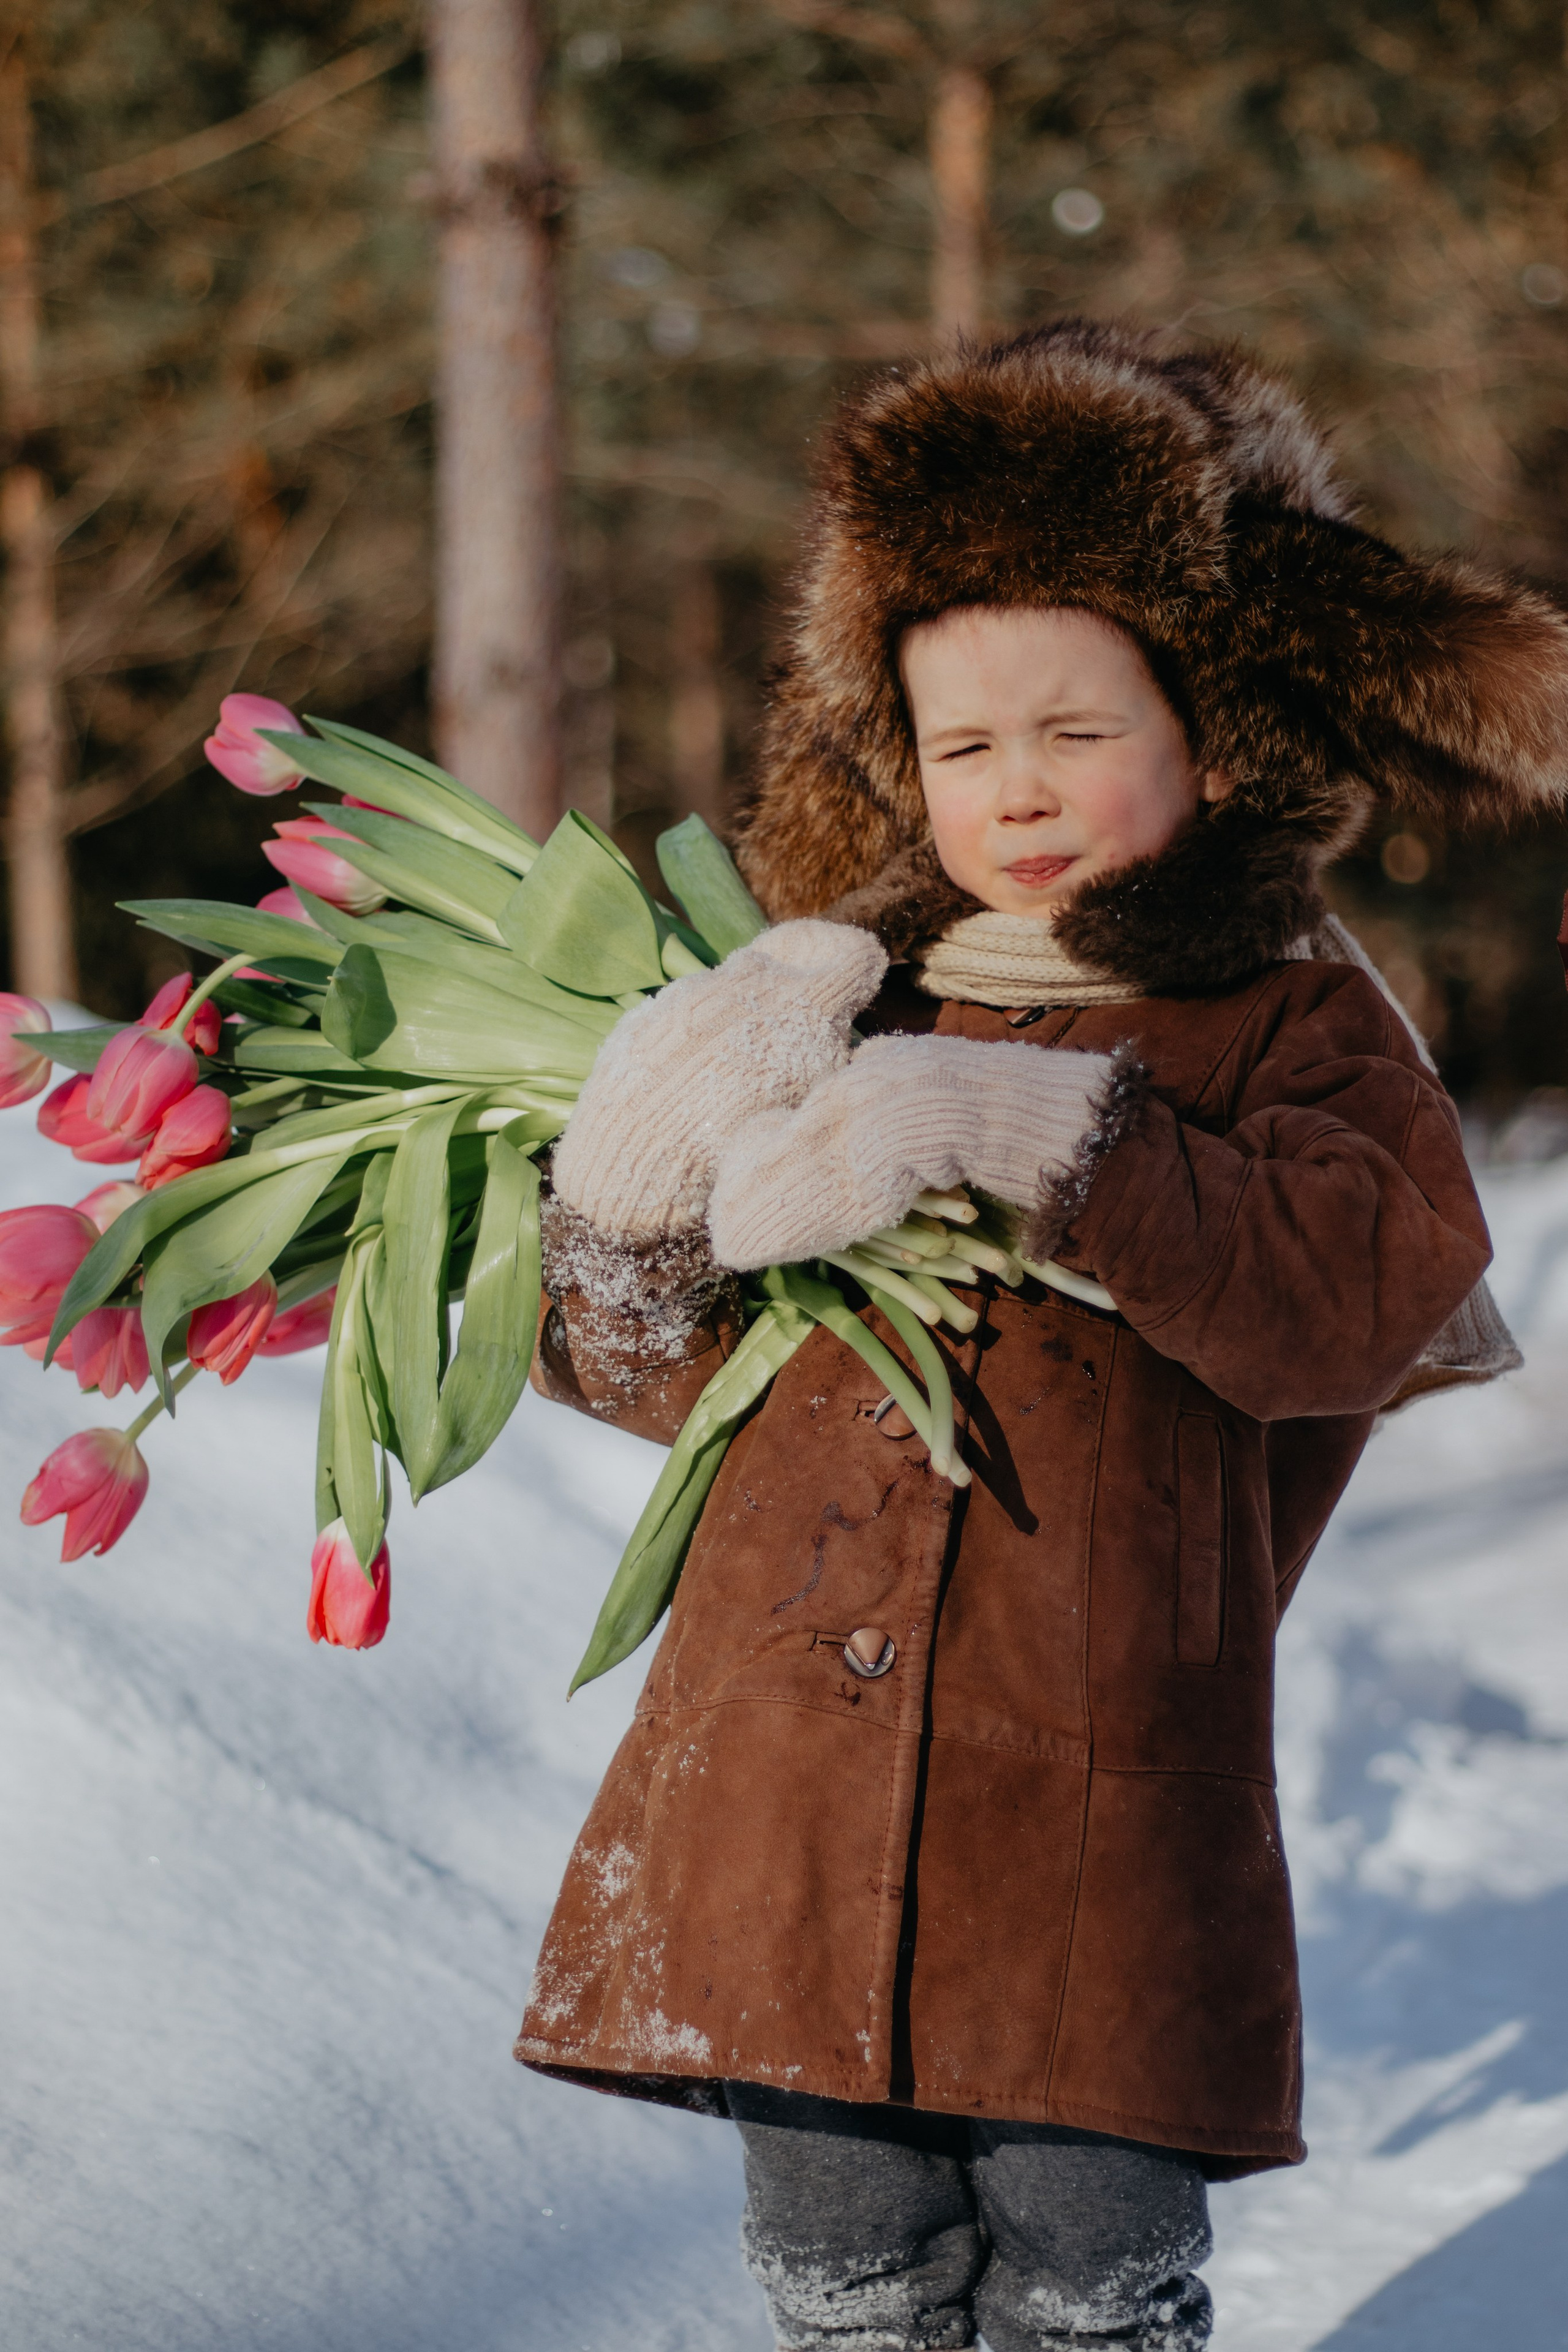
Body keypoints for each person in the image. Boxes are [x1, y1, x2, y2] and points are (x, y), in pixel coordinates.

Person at [514, 322, 1555, 2351]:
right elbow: (654, 1377)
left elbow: (1357, 1292)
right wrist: (634, 1193)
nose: (1021, 793)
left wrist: (1048, 1134)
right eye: (964, 749)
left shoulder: (1289, 1023)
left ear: (1217, 736)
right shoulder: (836, 1009)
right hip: (786, 1802)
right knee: (846, 2263)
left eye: (1079, 732)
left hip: (1102, 1806)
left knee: (1087, 2262)